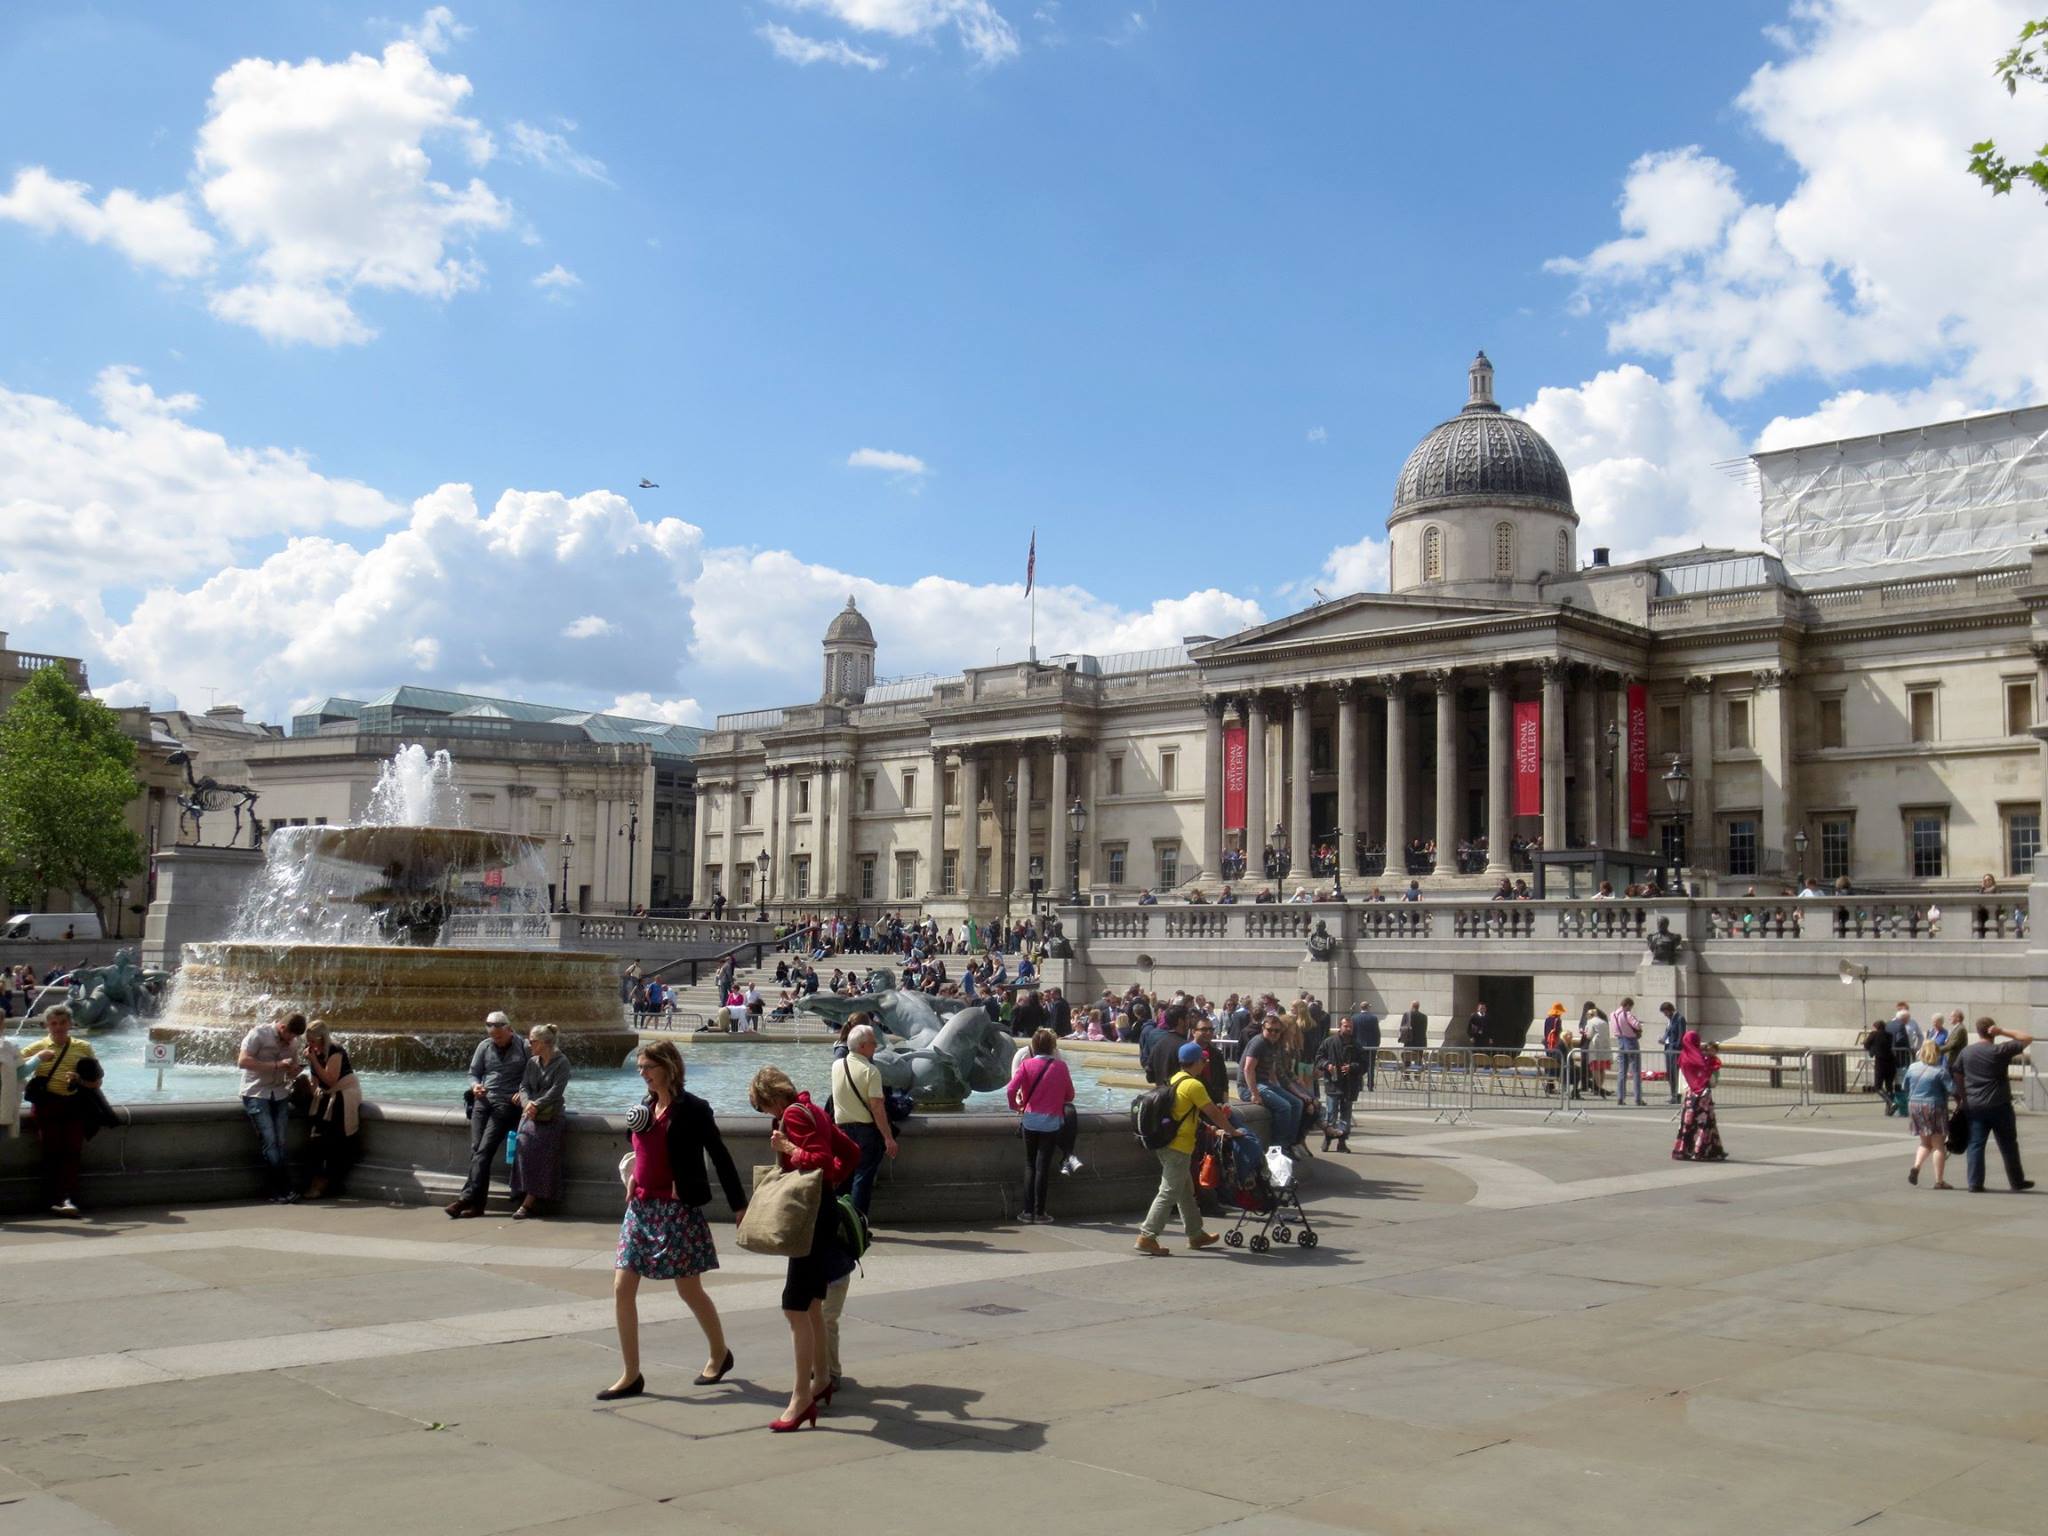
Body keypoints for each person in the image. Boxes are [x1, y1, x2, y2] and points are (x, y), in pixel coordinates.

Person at [601, 1042, 748, 1401]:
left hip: (677, 1208)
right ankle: (631, 1374)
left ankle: (719, 1353)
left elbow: (721, 1156)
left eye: (648, 1066)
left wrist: (740, 1206)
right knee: (622, 1287)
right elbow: (640, 1148)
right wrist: (635, 1173)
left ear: (668, 1066)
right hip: (640, 1208)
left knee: (689, 1289)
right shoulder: (644, 1106)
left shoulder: (693, 1109)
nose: (643, 1073)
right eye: (640, 1068)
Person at [750, 1064, 859, 1431]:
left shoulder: (793, 1115)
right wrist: (829, 1186)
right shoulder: (814, 1110)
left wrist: (788, 1148)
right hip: (823, 1212)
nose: (767, 1115)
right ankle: (822, 1378)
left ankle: (800, 1398)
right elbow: (851, 1153)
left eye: (763, 1108)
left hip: (811, 1221)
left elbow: (821, 1159)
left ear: (771, 1098)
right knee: (811, 1301)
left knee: (794, 1306)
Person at [1135, 1041, 1247, 1256]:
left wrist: (1208, 1128)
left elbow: (1183, 1112)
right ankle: (1147, 1236)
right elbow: (1213, 1111)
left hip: (1167, 1143)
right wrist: (1232, 1131)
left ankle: (1195, 1234)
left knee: (1185, 1191)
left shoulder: (1176, 1079)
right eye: (1203, 1060)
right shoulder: (1194, 1085)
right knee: (1168, 1192)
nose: (1205, 1063)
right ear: (1196, 1062)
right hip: (1179, 1146)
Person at [446, 1011, 528, 1218]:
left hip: (505, 1104)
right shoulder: (484, 1046)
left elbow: (534, 1073)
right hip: (483, 1101)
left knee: (482, 1151)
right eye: (493, 1037)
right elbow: (473, 1072)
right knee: (476, 1150)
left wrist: (522, 1091)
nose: (496, 1040)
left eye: (499, 1036)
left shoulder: (525, 1047)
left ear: (509, 1030)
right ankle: (477, 1205)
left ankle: (466, 1199)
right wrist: (475, 1086)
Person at [18, 1004, 98, 1216]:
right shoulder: (38, 1046)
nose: (58, 1027)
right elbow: (12, 1066)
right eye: (54, 1023)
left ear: (70, 1024)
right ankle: (54, 1198)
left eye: (63, 1022)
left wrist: (79, 1079)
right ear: (47, 1025)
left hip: (75, 1106)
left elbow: (96, 1082)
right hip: (47, 1107)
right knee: (51, 1151)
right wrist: (36, 1059)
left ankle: (66, 1197)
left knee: (72, 1151)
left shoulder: (84, 1047)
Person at [1954, 1018, 2034, 1193]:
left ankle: (1974, 1183)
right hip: (2000, 1105)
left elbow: (1958, 1075)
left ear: (1978, 1030)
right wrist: (2002, 1031)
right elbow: (2027, 1038)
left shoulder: (1966, 1052)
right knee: (2008, 1144)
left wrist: (1963, 1098)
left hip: (1974, 1106)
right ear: (1992, 1031)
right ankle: (2016, 1181)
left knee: (1975, 1144)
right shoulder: (1999, 1050)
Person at [1007, 1028, 1075, 1223]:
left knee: (1029, 1164)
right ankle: (1040, 1212)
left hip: (1030, 1120)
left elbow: (1011, 1088)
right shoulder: (1061, 1067)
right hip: (1051, 1123)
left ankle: (1027, 1212)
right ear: (1053, 1046)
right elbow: (1070, 1095)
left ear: (1034, 1046)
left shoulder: (1027, 1064)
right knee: (1042, 1167)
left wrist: (1016, 1106)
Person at [831, 1022, 898, 1219]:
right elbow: (877, 1108)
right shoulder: (871, 1071)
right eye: (872, 1043)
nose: (875, 1046)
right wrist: (888, 1138)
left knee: (843, 1176)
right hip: (865, 1132)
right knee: (862, 1178)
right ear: (862, 1046)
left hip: (841, 1129)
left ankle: (836, 1219)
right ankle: (858, 1222)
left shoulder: (837, 1065)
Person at [238, 1011, 306, 1203]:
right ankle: (280, 1189)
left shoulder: (294, 1042)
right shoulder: (258, 1034)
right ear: (282, 1027)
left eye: (294, 1037)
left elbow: (289, 1072)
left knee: (281, 1142)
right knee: (270, 1141)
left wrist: (294, 1070)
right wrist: (276, 1065)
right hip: (256, 1093)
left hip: (280, 1094)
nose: (291, 1040)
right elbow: (242, 1061)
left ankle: (281, 1189)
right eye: (290, 1035)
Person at [510, 1023, 572, 1218]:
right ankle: (522, 1191)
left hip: (551, 1115)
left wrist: (536, 1104)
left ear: (545, 1043)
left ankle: (529, 1201)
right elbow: (524, 1086)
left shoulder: (562, 1062)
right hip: (531, 1113)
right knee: (521, 1145)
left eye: (533, 1041)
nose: (529, 1045)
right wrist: (528, 1104)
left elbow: (556, 1090)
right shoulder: (533, 1062)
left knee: (541, 1153)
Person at [301, 1019, 361, 1200]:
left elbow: (331, 1080)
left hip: (342, 1096)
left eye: (313, 1041)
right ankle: (320, 1182)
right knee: (317, 1138)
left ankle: (327, 1183)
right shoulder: (313, 1052)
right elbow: (316, 1082)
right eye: (308, 1040)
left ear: (322, 1039)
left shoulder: (335, 1050)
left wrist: (313, 1060)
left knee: (336, 1140)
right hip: (326, 1097)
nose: (310, 1044)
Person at [1240, 1015, 1303, 1155]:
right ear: (1263, 1028)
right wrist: (1254, 1094)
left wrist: (1277, 1088)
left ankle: (1289, 1143)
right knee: (1284, 1107)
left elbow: (1272, 1070)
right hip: (1249, 1086)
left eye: (1277, 1031)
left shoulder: (1275, 1043)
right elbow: (1248, 1069)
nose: (1274, 1033)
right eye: (1270, 1030)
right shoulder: (1258, 1043)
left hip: (1264, 1083)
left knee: (1297, 1103)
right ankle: (1277, 1147)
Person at [1903, 1039, 1956, 1189]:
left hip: (1914, 1105)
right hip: (1934, 1106)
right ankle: (1939, 1181)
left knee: (1925, 1142)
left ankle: (1916, 1166)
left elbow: (1904, 1086)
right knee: (1939, 1145)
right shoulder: (1940, 1070)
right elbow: (1952, 1089)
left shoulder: (1912, 1067)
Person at [1670, 1030, 1727, 1162]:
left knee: (1688, 1123)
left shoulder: (1683, 1056)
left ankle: (1683, 1149)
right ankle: (1702, 1150)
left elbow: (1684, 1077)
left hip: (1690, 1095)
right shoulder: (1700, 1059)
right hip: (1702, 1095)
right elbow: (1709, 1078)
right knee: (1704, 1123)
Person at [1314, 1014, 1367, 1152]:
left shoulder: (1356, 1045)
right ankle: (1328, 1138)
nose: (1348, 1029)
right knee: (1331, 1113)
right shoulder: (1329, 1042)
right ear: (1340, 1026)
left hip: (1349, 1085)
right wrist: (1327, 1065)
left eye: (1350, 1026)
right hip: (1333, 1083)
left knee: (1346, 1115)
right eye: (1345, 1026)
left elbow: (1364, 1065)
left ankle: (1342, 1141)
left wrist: (1352, 1067)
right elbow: (1319, 1058)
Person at [1609, 997, 1644, 1106]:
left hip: (1620, 1041)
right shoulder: (1627, 1014)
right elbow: (1636, 1025)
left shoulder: (1613, 1014)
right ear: (1628, 1005)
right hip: (1631, 1041)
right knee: (1636, 1070)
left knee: (1622, 1071)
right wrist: (1639, 1025)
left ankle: (1620, 1097)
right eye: (1630, 1007)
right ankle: (1638, 1098)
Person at [1865, 1017, 1900, 1113]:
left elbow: (1866, 1044)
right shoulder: (1889, 1035)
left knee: (1878, 1087)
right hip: (1891, 1062)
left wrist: (1872, 1049)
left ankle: (1891, 1102)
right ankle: (1889, 1110)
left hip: (1881, 1062)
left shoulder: (1874, 1034)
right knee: (1889, 1086)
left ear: (1876, 1027)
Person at [1658, 1001, 1687, 1104]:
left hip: (1675, 1049)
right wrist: (1663, 1040)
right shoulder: (1670, 1020)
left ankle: (1677, 1096)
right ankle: (1673, 1094)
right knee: (1670, 1073)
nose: (1664, 1015)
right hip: (1668, 1048)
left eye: (1665, 1012)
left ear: (1669, 1010)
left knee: (1675, 1073)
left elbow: (1681, 1035)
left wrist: (1676, 1046)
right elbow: (1668, 1033)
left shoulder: (1679, 1019)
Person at [1351, 1001, 1381, 1093]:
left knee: (1359, 1065)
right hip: (1371, 1045)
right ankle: (1370, 1085)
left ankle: (1360, 1085)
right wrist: (1377, 1044)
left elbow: (1353, 1032)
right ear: (1368, 1007)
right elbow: (1377, 1033)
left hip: (1359, 1045)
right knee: (1370, 1066)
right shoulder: (1373, 1018)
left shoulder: (1354, 1018)